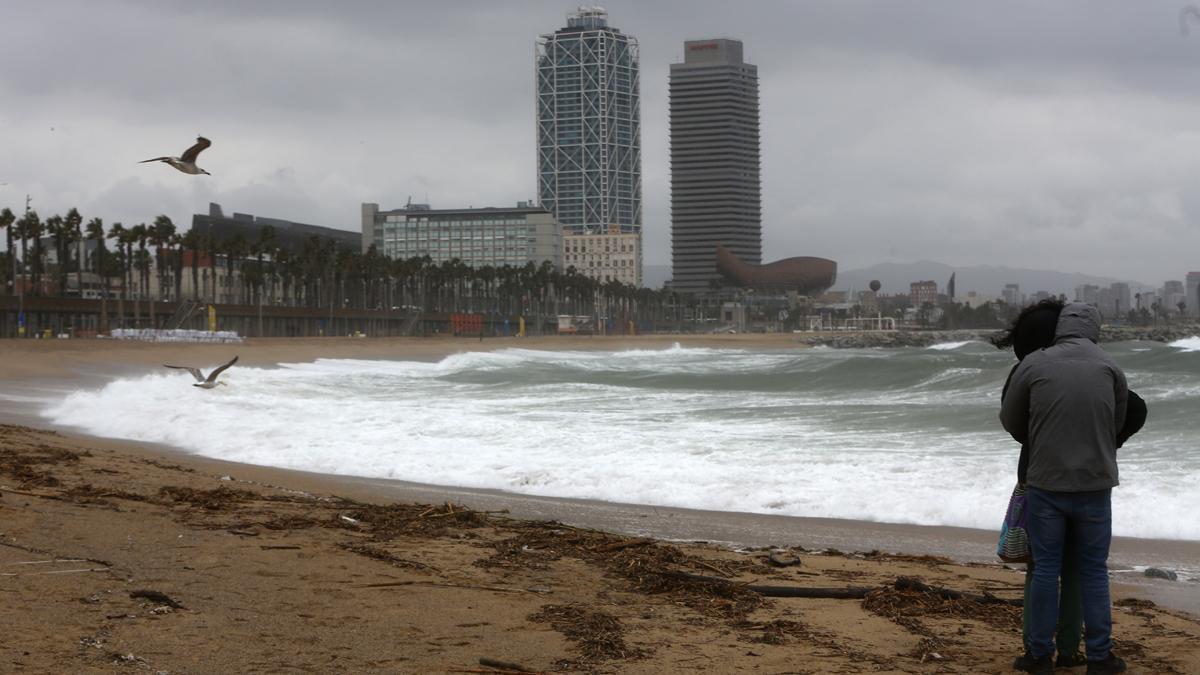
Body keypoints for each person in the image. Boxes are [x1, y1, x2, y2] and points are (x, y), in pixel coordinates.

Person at [996, 301, 1147, 672]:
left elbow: (1010, 419)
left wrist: (1039, 438)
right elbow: (1120, 416)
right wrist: (1099, 446)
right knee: (1093, 570)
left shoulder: (1032, 364)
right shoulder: (1110, 365)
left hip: (1045, 482)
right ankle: (1099, 657)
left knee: (1044, 569)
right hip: (1095, 486)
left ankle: (1037, 656)